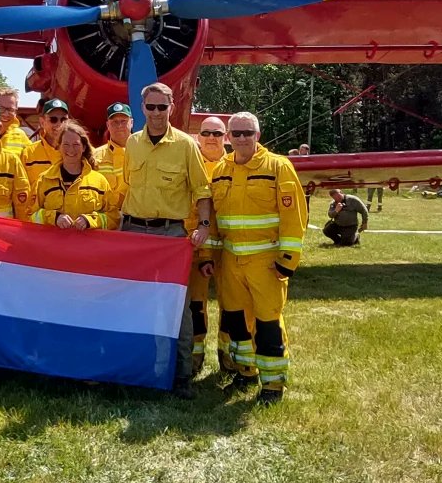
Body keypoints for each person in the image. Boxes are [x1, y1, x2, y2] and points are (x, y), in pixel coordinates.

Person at [207, 111, 307, 405]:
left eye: (247, 133)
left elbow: (294, 216)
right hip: (230, 262)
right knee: (237, 322)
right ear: (228, 137)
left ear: (258, 136)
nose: (241, 139)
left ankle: (273, 384)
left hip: (265, 262)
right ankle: (245, 371)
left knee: (268, 324)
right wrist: (209, 256)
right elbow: (214, 218)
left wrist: (287, 259)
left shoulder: (278, 167)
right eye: (235, 133)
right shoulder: (220, 170)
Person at [121, 82, 212, 400]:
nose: (157, 113)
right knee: (134, 304)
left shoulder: (187, 145)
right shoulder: (132, 143)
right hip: (133, 233)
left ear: (172, 108)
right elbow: (127, 187)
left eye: (162, 107)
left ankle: (181, 376)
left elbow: (203, 191)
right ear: (142, 109)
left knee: (177, 309)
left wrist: (202, 226)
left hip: (170, 237)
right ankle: (137, 370)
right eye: (151, 107)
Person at [188, 116, 227, 375]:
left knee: (233, 304)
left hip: (230, 249)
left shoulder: (236, 165)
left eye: (217, 132)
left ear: (225, 137)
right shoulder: (189, 164)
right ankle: (194, 356)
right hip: (196, 247)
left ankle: (231, 356)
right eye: (206, 133)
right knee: (196, 305)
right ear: (198, 136)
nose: (211, 137)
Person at [32, 120, 119, 230]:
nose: (71, 150)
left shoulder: (99, 182)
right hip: (54, 246)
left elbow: (114, 218)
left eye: (76, 144)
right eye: (66, 144)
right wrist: (53, 218)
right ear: (59, 147)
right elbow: (30, 215)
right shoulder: (44, 180)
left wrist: (91, 221)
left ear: (83, 147)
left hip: (88, 246)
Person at [21, 97, 69, 187]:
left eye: (63, 120)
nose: (59, 124)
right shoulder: (28, 154)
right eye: (53, 119)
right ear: (42, 122)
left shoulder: (77, 151)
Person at [93, 102, 133, 205]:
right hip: (107, 215)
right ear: (107, 125)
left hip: (135, 216)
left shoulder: (142, 152)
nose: (119, 126)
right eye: (114, 122)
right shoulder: (95, 156)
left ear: (131, 123)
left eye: (123, 121)